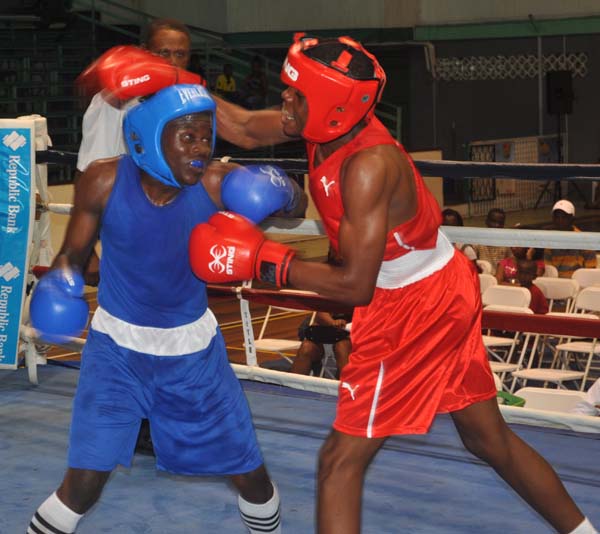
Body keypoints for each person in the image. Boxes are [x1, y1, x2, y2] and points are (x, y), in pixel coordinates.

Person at [192, 34, 597, 533]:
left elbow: (354, 287)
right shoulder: (323, 124)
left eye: (297, 96)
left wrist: (263, 260)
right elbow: (245, 129)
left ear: (332, 108)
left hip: (415, 305)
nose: (285, 102)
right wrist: (173, 82)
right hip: (439, 283)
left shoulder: (367, 167)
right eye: (288, 90)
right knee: (487, 439)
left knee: (339, 463)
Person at [27, 83, 306, 533]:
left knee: (247, 475)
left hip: (193, 358)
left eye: (206, 136)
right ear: (149, 138)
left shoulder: (217, 185)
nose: (200, 148)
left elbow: (297, 207)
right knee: (83, 481)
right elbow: (72, 254)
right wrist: (61, 281)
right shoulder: (103, 179)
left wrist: (282, 187)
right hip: (115, 352)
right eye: (187, 137)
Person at [75, 18, 199, 287]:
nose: (173, 62)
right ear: (144, 53)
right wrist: (86, 252)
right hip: (130, 236)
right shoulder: (114, 101)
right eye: (163, 53)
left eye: (180, 54)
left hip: (179, 236)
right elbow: (89, 174)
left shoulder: (193, 102)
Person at [291, 248, 352, 377]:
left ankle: (347, 388)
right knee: (306, 349)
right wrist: (333, 322)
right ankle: (292, 390)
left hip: (351, 331)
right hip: (326, 329)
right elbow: (320, 312)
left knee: (342, 347)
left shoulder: (362, 278)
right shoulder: (325, 277)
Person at [544, 199, 597, 278]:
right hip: (556, 284)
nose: (559, 220)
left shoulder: (585, 241)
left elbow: (590, 271)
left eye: (564, 217)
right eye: (556, 217)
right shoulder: (549, 240)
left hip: (579, 284)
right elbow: (548, 269)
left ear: (572, 219)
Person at [473, 208, 511, 273]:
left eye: (500, 223)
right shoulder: (478, 240)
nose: (497, 225)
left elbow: (510, 264)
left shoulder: (506, 242)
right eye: (493, 221)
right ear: (486, 222)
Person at [441, 208, 480, 272]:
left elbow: (473, 274)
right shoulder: (436, 248)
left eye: (452, 227)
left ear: (459, 228)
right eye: (444, 226)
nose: (448, 231)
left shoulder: (466, 250)